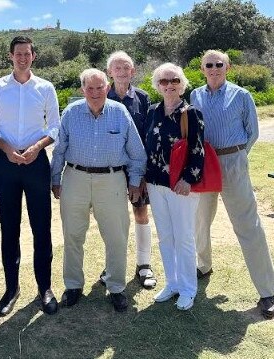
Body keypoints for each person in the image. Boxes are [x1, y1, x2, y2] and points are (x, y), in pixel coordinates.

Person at [51, 68, 147, 311]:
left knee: (116, 236)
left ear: (107, 87)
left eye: (99, 87)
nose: (95, 93)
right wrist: (55, 178)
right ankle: (73, 286)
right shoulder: (71, 113)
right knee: (73, 235)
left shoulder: (120, 112)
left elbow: (137, 153)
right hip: (75, 178)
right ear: (83, 89)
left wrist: (135, 181)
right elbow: (59, 149)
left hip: (112, 180)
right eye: (89, 88)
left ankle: (116, 287)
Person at [191, 49, 274, 318]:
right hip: (205, 163)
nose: (213, 68)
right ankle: (203, 266)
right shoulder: (195, 95)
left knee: (248, 225)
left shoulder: (242, 95)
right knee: (201, 219)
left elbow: (253, 133)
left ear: (228, 67)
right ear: (202, 69)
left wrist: (236, 158)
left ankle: (268, 290)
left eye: (219, 64)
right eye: (208, 65)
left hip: (232, 161)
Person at [0, 36, 61, 316]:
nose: (23, 58)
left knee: (42, 228)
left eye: (27, 53)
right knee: (10, 229)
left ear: (33, 56)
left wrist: (37, 147)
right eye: (18, 54)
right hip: (5, 165)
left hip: (36, 163)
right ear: (11, 56)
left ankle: (45, 288)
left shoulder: (45, 88)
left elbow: (54, 127)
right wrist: (7, 149)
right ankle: (11, 288)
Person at [145, 63, 205, 311]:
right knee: (166, 236)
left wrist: (188, 179)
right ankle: (172, 283)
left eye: (174, 81)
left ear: (182, 84)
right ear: (157, 85)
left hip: (180, 185)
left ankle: (189, 289)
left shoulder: (191, 113)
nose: (169, 85)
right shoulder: (152, 111)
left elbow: (197, 150)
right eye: (163, 81)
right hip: (155, 183)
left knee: (184, 237)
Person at [99, 50, 156, 289]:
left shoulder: (143, 99)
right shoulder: (100, 96)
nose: (122, 72)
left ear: (133, 72)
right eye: (117, 68)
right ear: (109, 72)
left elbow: (148, 139)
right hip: (108, 171)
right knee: (112, 220)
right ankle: (112, 266)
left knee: (141, 215)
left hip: (137, 170)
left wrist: (142, 174)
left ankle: (144, 265)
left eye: (126, 68)